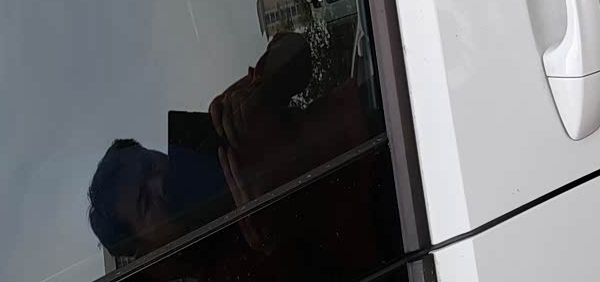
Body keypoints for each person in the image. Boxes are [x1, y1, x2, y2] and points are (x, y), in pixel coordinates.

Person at [86, 31, 384, 279]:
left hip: (379, 111)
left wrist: (264, 87)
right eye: (144, 201)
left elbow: (297, 48)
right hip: (390, 221)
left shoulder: (219, 127)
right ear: (146, 248)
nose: (158, 182)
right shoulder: (223, 271)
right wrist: (271, 240)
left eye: (149, 164)